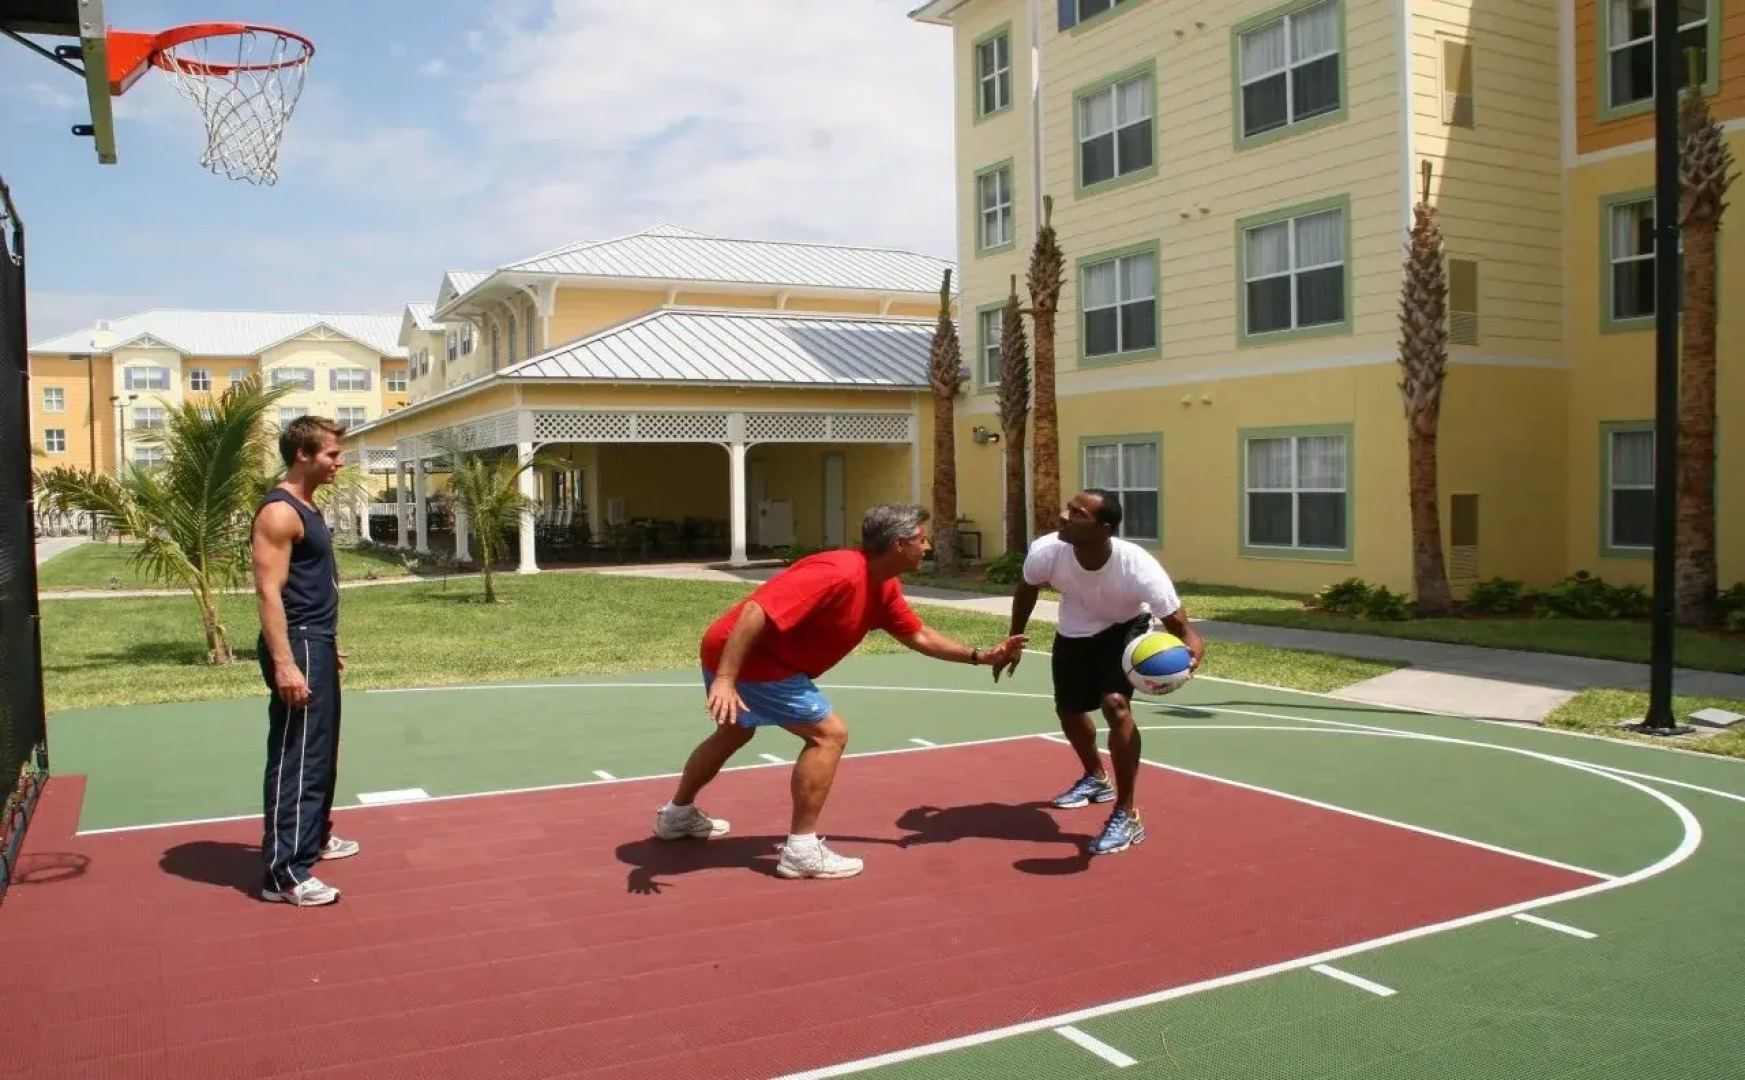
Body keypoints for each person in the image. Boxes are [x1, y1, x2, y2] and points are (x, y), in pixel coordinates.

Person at [653, 503, 1026, 880]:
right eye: (922, 540)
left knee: (735, 731)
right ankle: (800, 851)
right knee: (828, 735)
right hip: (752, 658)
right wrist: (726, 679)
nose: (926, 547)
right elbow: (756, 611)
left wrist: (981, 656)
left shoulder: (882, 584)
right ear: (899, 545)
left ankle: (676, 816)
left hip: (736, 652)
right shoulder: (838, 573)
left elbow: (918, 635)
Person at [993, 488, 1205, 856]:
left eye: (1076, 513)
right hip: (1074, 629)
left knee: (1115, 704)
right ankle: (1095, 777)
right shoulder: (1048, 550)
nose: (1063, 515)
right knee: (1069, 709)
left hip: (1126, 629)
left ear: (1104, 528)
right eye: (1068, 508)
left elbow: (1184, 631)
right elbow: (1026, 588)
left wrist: (1190, 659)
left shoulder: (1138, 567)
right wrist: (1015, 638)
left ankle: (1126, 813)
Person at [250, 415, 356, 907]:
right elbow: (269, 593)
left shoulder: (307, 507)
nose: (339, 462)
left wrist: (327, 646)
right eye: (332, 454)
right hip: (297, 643)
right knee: (299, 757)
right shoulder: (278, 513)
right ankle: (284, 874)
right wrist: (286, 663)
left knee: (321, 753)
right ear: (303, 455)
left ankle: (309, 839)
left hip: (317, 641)